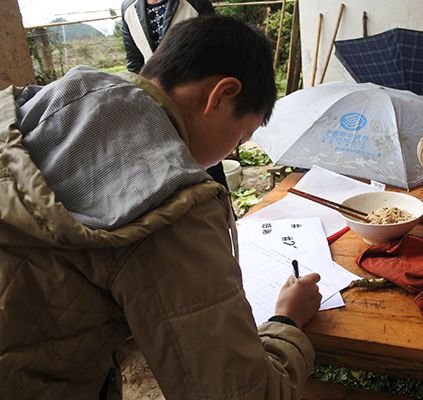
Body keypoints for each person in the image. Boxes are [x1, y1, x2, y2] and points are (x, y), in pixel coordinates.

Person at [0, 15, 322, 400]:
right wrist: (287, 321)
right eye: (239, 138)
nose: (231, 152)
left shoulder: (45, 102)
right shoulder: (169, 198)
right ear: (221, 95)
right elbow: (240, 392)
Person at [121, 0, 229, 189]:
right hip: (156, 103)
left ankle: (221, 205)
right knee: (171, 165)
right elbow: (134, 61)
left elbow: (217, 50)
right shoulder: (128, 8)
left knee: (209, 164)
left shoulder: (195, 3)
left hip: (196, 100)